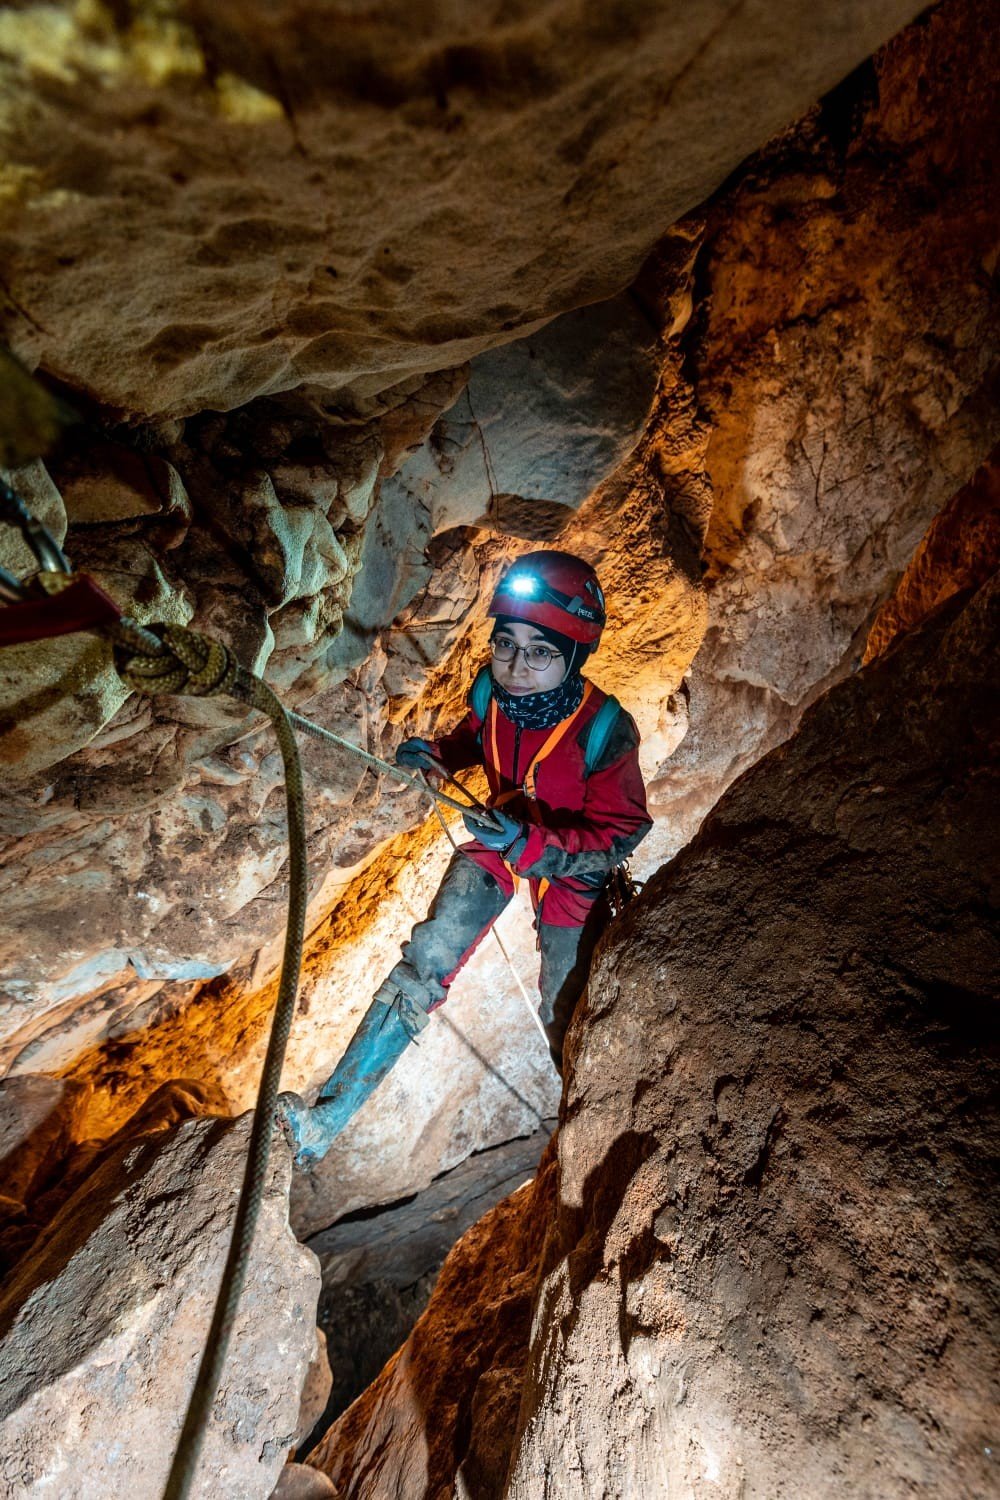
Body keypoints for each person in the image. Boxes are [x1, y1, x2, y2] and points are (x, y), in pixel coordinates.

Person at [277, 550, 652, 1167]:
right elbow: (474, 737)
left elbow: (619, 834)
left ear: (574, 653)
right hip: (499, 835)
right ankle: (323, 1124)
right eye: (507, 644)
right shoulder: (490, 690)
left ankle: (587, 1142)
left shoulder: (605, 730)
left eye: (540, 651)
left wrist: (532, 845)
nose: (517, 667)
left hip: (568, 876)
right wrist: (441, 755)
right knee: (424, 961)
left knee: (566, 1012)